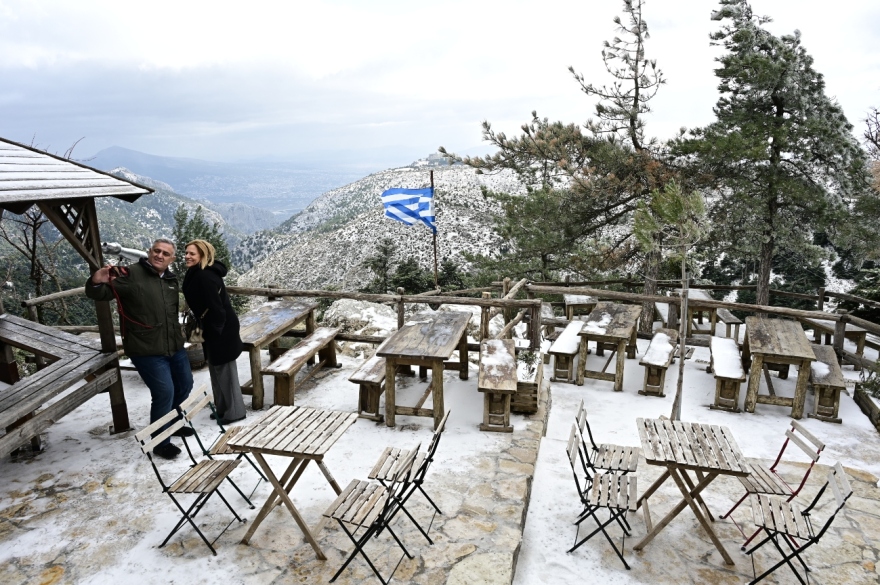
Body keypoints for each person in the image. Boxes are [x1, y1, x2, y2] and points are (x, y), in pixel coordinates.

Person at [86, 238, 193, 460]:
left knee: (185, 384)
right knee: (164, 392)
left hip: (174, 345)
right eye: (157, 251)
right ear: (149, 252)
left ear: (171, 259)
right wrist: (96, 281)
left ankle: (172, 422)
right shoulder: (131, 274)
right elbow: (101, 293)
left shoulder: (171, 281)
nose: (160, 256)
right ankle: (160, 442)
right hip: (145, 348)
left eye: (165, 253)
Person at [181, 239, 246, 425]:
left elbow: (217, 309)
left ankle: (235, 412)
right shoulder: (198, 273)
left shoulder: (205, 276)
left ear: (203, 255)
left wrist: (216, 331)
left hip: (221, 329)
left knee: (225, 371)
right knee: (216, 369)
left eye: (192, 253)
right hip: (215, 327)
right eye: (186, 253)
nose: (187, 256)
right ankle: (223, 409)